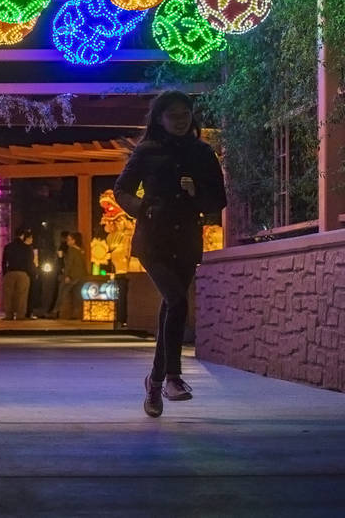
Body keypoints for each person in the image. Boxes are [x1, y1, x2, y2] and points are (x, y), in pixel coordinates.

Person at [113, 90, 226, 418]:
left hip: (187, 240)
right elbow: (122, 189)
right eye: (172, 115)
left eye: (185, 114)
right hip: (154, 240)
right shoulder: (147, 151)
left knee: (170, 308)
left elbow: (217, 200)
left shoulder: (203, 153)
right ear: (160, 119)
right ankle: (173, 377)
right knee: (176, 301)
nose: (180, 120)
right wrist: (141, 207)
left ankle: (154, 381)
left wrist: (197, 194)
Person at [48, 231, 88, 319]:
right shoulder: (81, 250)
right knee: (77, 296)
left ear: (74, 241)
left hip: (72, 276)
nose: (67, 241)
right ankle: (77, 314)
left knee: (62, 293)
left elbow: (69, 264)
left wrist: (66, 275)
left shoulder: (72, 250)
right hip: (81, 276)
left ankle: (55, 311)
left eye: (69, 240)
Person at [0, 227, 34, 320]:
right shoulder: (26, 248)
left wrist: (5, 273)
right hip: (23, 273)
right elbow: (30, 262)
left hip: (10, 272)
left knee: (8, 295)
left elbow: (3, 262)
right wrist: (31, 273)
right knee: (22, 295)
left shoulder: (8, 247)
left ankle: (9, 315)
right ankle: (20, 315)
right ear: (22, 235)